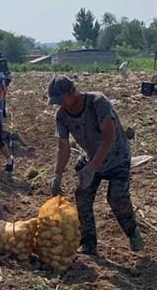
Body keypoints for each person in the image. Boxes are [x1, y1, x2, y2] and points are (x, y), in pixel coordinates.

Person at [48, 75, 143, 254]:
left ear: (72, 91)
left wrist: (93, 167)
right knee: (82, 197)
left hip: (117, 157)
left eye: (61, 99)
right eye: (56, 101)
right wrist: (57, 175)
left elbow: (109, 137)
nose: (60, 104)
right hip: (90, 156)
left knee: (116, 197)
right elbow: (63, 148)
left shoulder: (98, 102)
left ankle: (132, 233)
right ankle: (89, 243)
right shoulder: (61, 116)